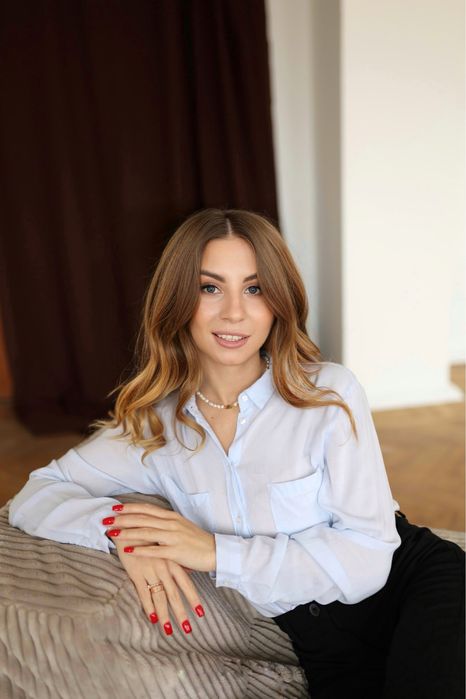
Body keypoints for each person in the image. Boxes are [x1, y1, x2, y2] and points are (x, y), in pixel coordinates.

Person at [8, 208, 464, 698]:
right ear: (178, 300)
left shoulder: (328, 393)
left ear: (278, 302)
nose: (233, 313)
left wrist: (214, 551)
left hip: (411, 587)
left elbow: (369, 557)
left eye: (254, 288)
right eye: (210, 288)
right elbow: (36, 495)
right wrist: (126, 535)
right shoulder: (154, 427)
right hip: (322, 644)